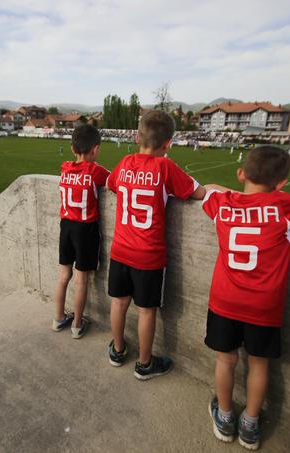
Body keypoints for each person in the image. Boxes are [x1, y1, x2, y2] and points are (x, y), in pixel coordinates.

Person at [201, 146, 290, 450]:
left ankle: (224, 417)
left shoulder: (222, 203)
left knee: (225, 360)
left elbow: (210, 191)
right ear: (281, 183)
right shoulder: (288, 206)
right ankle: (250, 425)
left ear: (241, 174)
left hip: (224, 300)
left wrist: (228, 189)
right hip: (264, 306)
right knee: (258, 364)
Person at [106, 110, 206, 380]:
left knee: (118, 302)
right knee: (146, 310)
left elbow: (110, 184)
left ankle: (117, 350)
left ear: (138, 137)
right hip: (148, 255)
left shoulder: (125, 162)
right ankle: (145, 364)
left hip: (120, 250)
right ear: (169, 143)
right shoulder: (165, 167)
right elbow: (197, 193)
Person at [54, 124, 110, 338]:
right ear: (95, 150)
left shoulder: (64, 167)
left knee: (63, 275)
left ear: (72, 149)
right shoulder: (95, 171)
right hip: (85, 229)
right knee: (81, 279)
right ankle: (77, 324)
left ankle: (58, 317)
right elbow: (111, 180)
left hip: (65, 226)